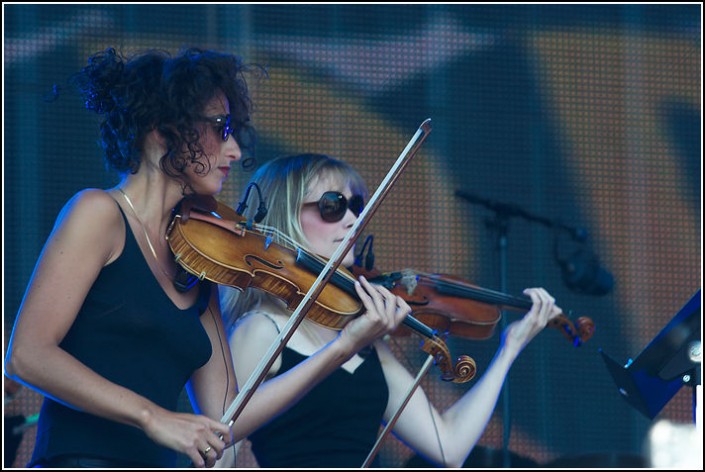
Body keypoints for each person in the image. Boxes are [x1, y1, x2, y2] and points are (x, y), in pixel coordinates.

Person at [3, 48, 409, 469]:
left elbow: (226, 415)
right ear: (165, 131)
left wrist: (344, 347)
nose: (233, 151)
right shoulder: (99, 213)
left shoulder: (199, 259)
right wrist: (152, 416)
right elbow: (26, 355)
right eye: (221, 129)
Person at [220, 153, 564, 468]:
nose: (353, 219)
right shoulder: (263, 328)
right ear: (285, 216)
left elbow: (449, 447)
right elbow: (222, 439)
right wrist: (346, 346)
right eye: (332, 206)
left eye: (356, 205)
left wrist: (510, 349)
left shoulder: (365, 335)